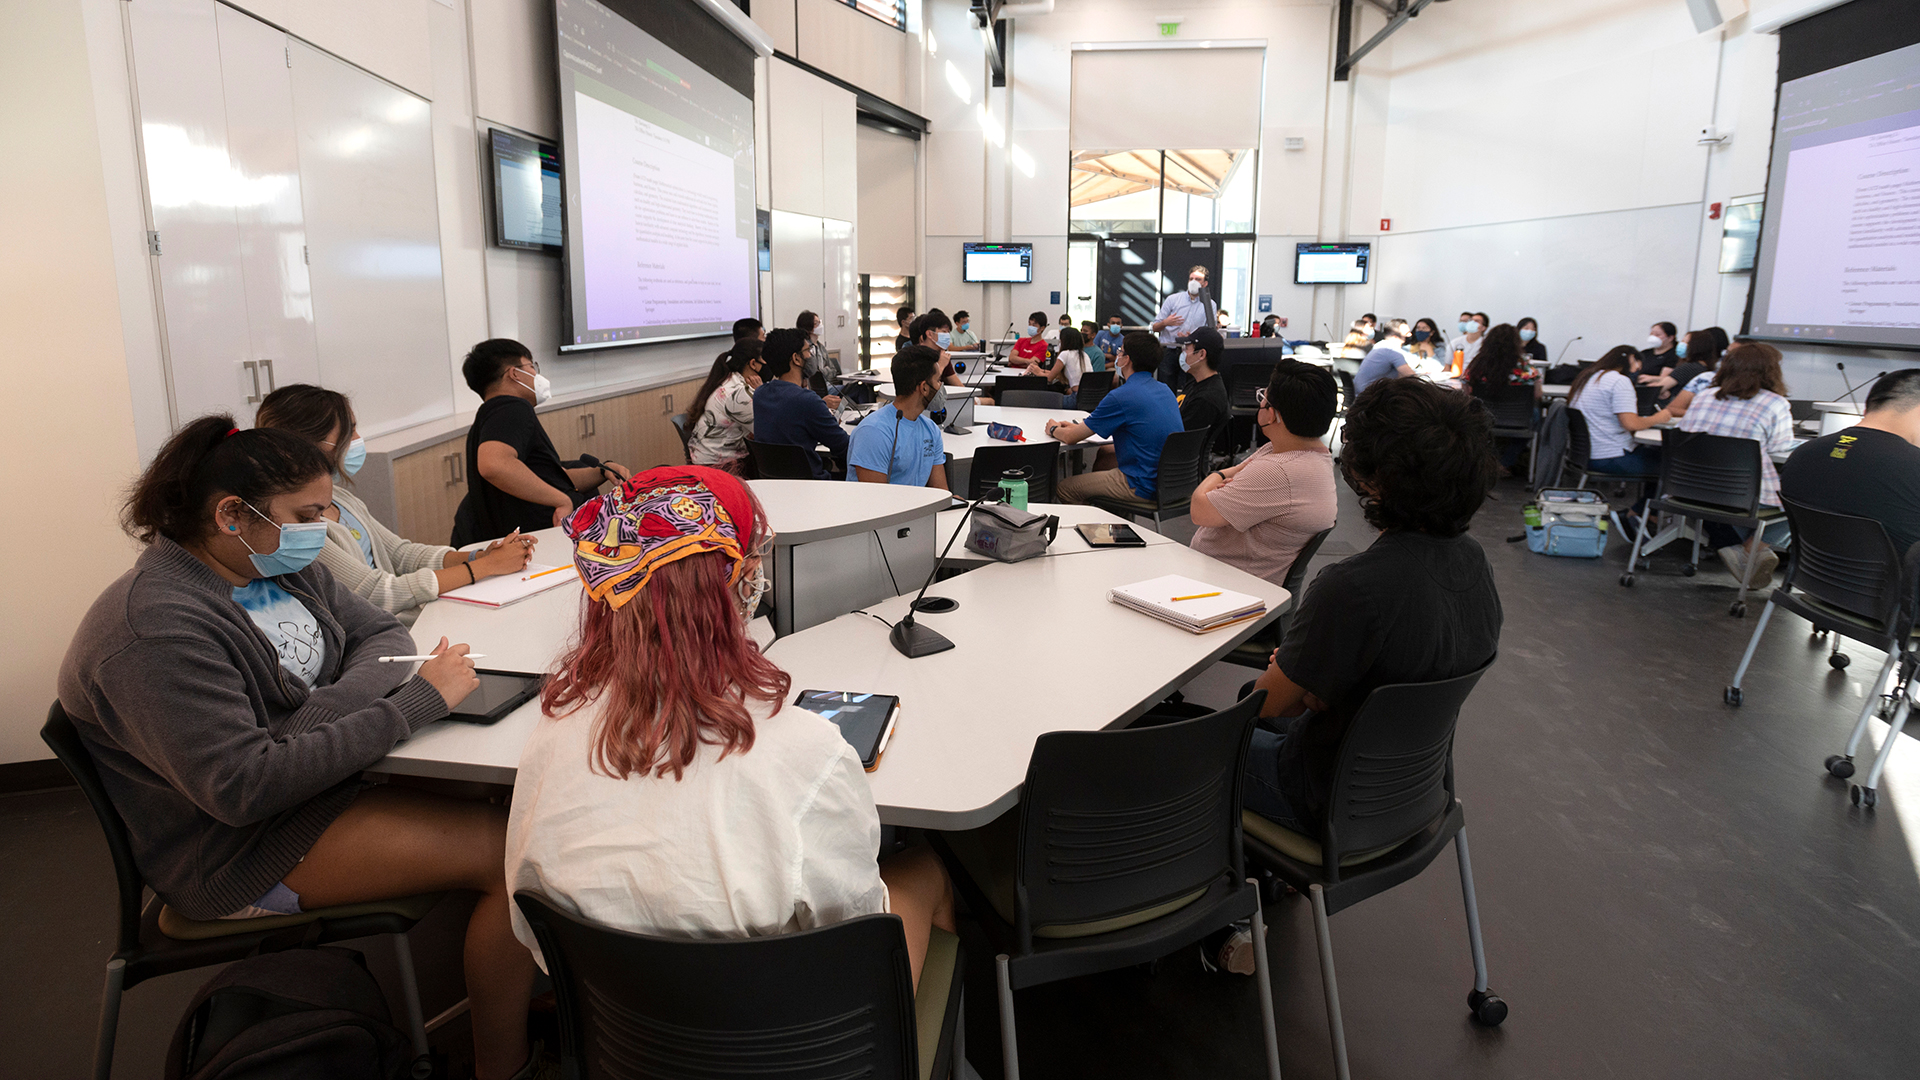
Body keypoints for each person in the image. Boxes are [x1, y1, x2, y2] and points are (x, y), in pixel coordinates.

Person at [60, 417, 538, 1080]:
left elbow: (383, 640)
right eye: (309, 513)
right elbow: (246, 788)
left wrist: (313, 721)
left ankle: (511, 980)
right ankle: (503, 1067)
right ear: (232, 514)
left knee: (518, 801)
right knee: (518, 858)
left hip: (325, 780)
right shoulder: (153, 628)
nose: (322, 527)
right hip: (247, 847)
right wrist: (411, 703)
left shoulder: (280, 566)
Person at [505, 467, 956, 990]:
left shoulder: (550, 738)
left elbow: (529, 929)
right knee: (926, 869)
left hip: (621, 1043)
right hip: (800, 1046)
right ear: (742, 580)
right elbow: (855, 944)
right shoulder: (809, 755)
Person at [1242, 378, 1502, 835]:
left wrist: (1303, 679)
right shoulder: (1473, 562)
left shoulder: (1353, 588)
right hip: (1409, 789)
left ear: (1369, 474)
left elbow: (1267, 705)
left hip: (1321, 797)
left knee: (1177, 750)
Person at [255, 385, 535, 619]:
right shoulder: (297, 525)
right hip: (385, 631)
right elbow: (376, 593)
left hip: (405, 617)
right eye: (350, 431)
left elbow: (402, 555)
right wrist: (487, 567)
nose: (358, 440)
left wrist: (479, 556)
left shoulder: (340, 498)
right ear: (310, 443)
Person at [1188, 360, 1339, 586]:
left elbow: (1199, 511)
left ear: (1273, 415)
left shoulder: (1277, 471)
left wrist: (1215, 477)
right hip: (1224, 578)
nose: (1260, 403)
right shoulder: (1303, 453)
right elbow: (1239, 471)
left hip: (1222, 588)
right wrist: (1236, 476)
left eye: (1263, 399)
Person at [464, 339, 629, 538]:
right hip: (542, 536)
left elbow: (555, 477)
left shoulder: (490, 416)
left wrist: (603, 471)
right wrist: (561, 501)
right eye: (531, 366)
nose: (536, 374)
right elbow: (493, 465)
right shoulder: (511, 407)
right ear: (514, 373)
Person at [1678, 342, 1796, 582]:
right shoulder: (1775, 403)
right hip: (1740, 495)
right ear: (1771, 371)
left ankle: (1744, 552)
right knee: (1805, 503)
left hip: (1689, 489)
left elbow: (1684, 432)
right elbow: (1780, 447)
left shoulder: (1703, 397)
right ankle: (1752, 549)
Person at [1781, 367, 1920, 557]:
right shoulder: (1913, 464)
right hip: (1896, 583)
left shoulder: (1803, 454)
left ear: (1868, 407)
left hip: (1817, 576)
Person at [1050, 332, 1183, 506]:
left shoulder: (1121, 396)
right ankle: (1113, 526)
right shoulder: (1165, 390)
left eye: (1120, 351)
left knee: (1065, 488)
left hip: (1141, 484)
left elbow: (1070, 438)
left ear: (1126, 359)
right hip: (1170, 481)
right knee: (1105, 453)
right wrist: (1076, 427)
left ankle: (1092, 528)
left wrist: (1053, 428)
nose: (1118, 355)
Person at [1567, 345, 1672, 490]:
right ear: (1630, 359)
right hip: (1612, 456)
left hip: (1584, 455)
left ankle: (1641, 511)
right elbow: (1631, 424)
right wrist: (1659, 417)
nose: (1636, 371)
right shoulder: (1619, 381)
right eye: (1636, 367)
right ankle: (1643, 511)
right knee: (1674, 466)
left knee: (1657, 457)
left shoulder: (1587, 377)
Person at [846, 346, 949, 489]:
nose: (940, 387)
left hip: (918, 509)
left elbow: (940, 494)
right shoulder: (873, 432)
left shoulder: (931, 429)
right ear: (924, 388)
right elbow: (875, 500)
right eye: (938, 380)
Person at [752, 328, 848, 480]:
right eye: (808, 350)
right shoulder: (807, 401)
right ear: (796, 358)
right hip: (813, 487)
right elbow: (843, 447)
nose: (811, 355)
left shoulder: (760, 394)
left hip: (775, 486)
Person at [1464, 324, 1543, 474]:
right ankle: (1505, 462)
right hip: (1518, 419)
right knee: (1536, 417)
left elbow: (1467, 393)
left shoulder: (1477, 365)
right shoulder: (1525, 368)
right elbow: (1538, 395)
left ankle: (1486, 460)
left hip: (1483, 417)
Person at [684, 339, 764, 474]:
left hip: (704, 458)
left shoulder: (728, 379)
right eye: (765, 360)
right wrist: (762, 393)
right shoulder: (738, 394)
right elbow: (765, 432)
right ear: (753, 364)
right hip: (719, 467)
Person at [1151, 265, 1215, 386]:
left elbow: (1210, 332)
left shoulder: (1209, 304)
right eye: (1191, 279)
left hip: (1193, 352)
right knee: (1167, 387)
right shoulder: (1172, 300)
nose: (1193, 282)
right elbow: (1154, 327)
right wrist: (1165, 322)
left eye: (1198, 279)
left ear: (1205, 283)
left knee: (1190, 387)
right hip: (1170, 351)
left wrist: (1193, 337)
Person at [1178, 326, 1232, 455]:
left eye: (1187, 348)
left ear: (1201, 354)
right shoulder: (1195, 383)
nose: (1183, 352)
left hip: (1179, 468)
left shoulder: (1206, 399)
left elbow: (1180, 442)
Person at [1642, 329, 1719, 411]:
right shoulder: (1706, 367)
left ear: (1696, 346)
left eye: (1685, 342)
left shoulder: (1688, 367)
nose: (1681, 345)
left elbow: (1658, 388)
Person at [1353, 319, 1416, 395]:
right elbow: (1411, 376)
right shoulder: (1392, 351)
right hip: (1372, 396)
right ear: (1395, 337)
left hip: (1362, 393)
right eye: (1407, 333)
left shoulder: (1380, 345)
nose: (1410, 335)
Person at [1031, 325, 1088, 400]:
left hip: (1075, 398)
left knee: (1040, 399)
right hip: (1088, 397)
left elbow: (1049, 379)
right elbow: (1057, 375)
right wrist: (1042, 371)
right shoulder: (1084, 355)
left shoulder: (1065, 354)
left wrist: (1037, 372)